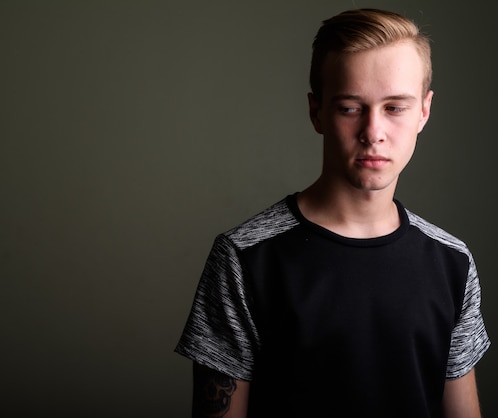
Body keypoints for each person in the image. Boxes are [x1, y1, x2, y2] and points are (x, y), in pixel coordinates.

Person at [175, 8, 491, 418]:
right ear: (317, 111)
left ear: (424, 112)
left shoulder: (453, 261)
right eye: (349, 108)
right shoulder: (244, 258)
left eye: (395, 107)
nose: (373, 131)